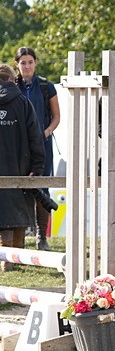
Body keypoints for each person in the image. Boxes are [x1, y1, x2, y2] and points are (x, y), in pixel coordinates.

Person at [0, 63, 45, 271]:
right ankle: (14, 260)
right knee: (17, 215)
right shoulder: (24, 103)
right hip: (20, 168)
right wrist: (36, 168)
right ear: (12, 80)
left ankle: (3, 260)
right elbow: (36, 138)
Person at [16, 47, 61, 250]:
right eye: (23, 62)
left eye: (30, 62)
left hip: (41, 146)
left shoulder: (46, 87)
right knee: (17, 189)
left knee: (42, 187)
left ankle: (42, 237)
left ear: (35, 63)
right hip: (17, 147)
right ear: (17, 64)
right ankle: (18, 238)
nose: (27, 66)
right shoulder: (10, 85)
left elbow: (56, 116)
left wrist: (47, 131)